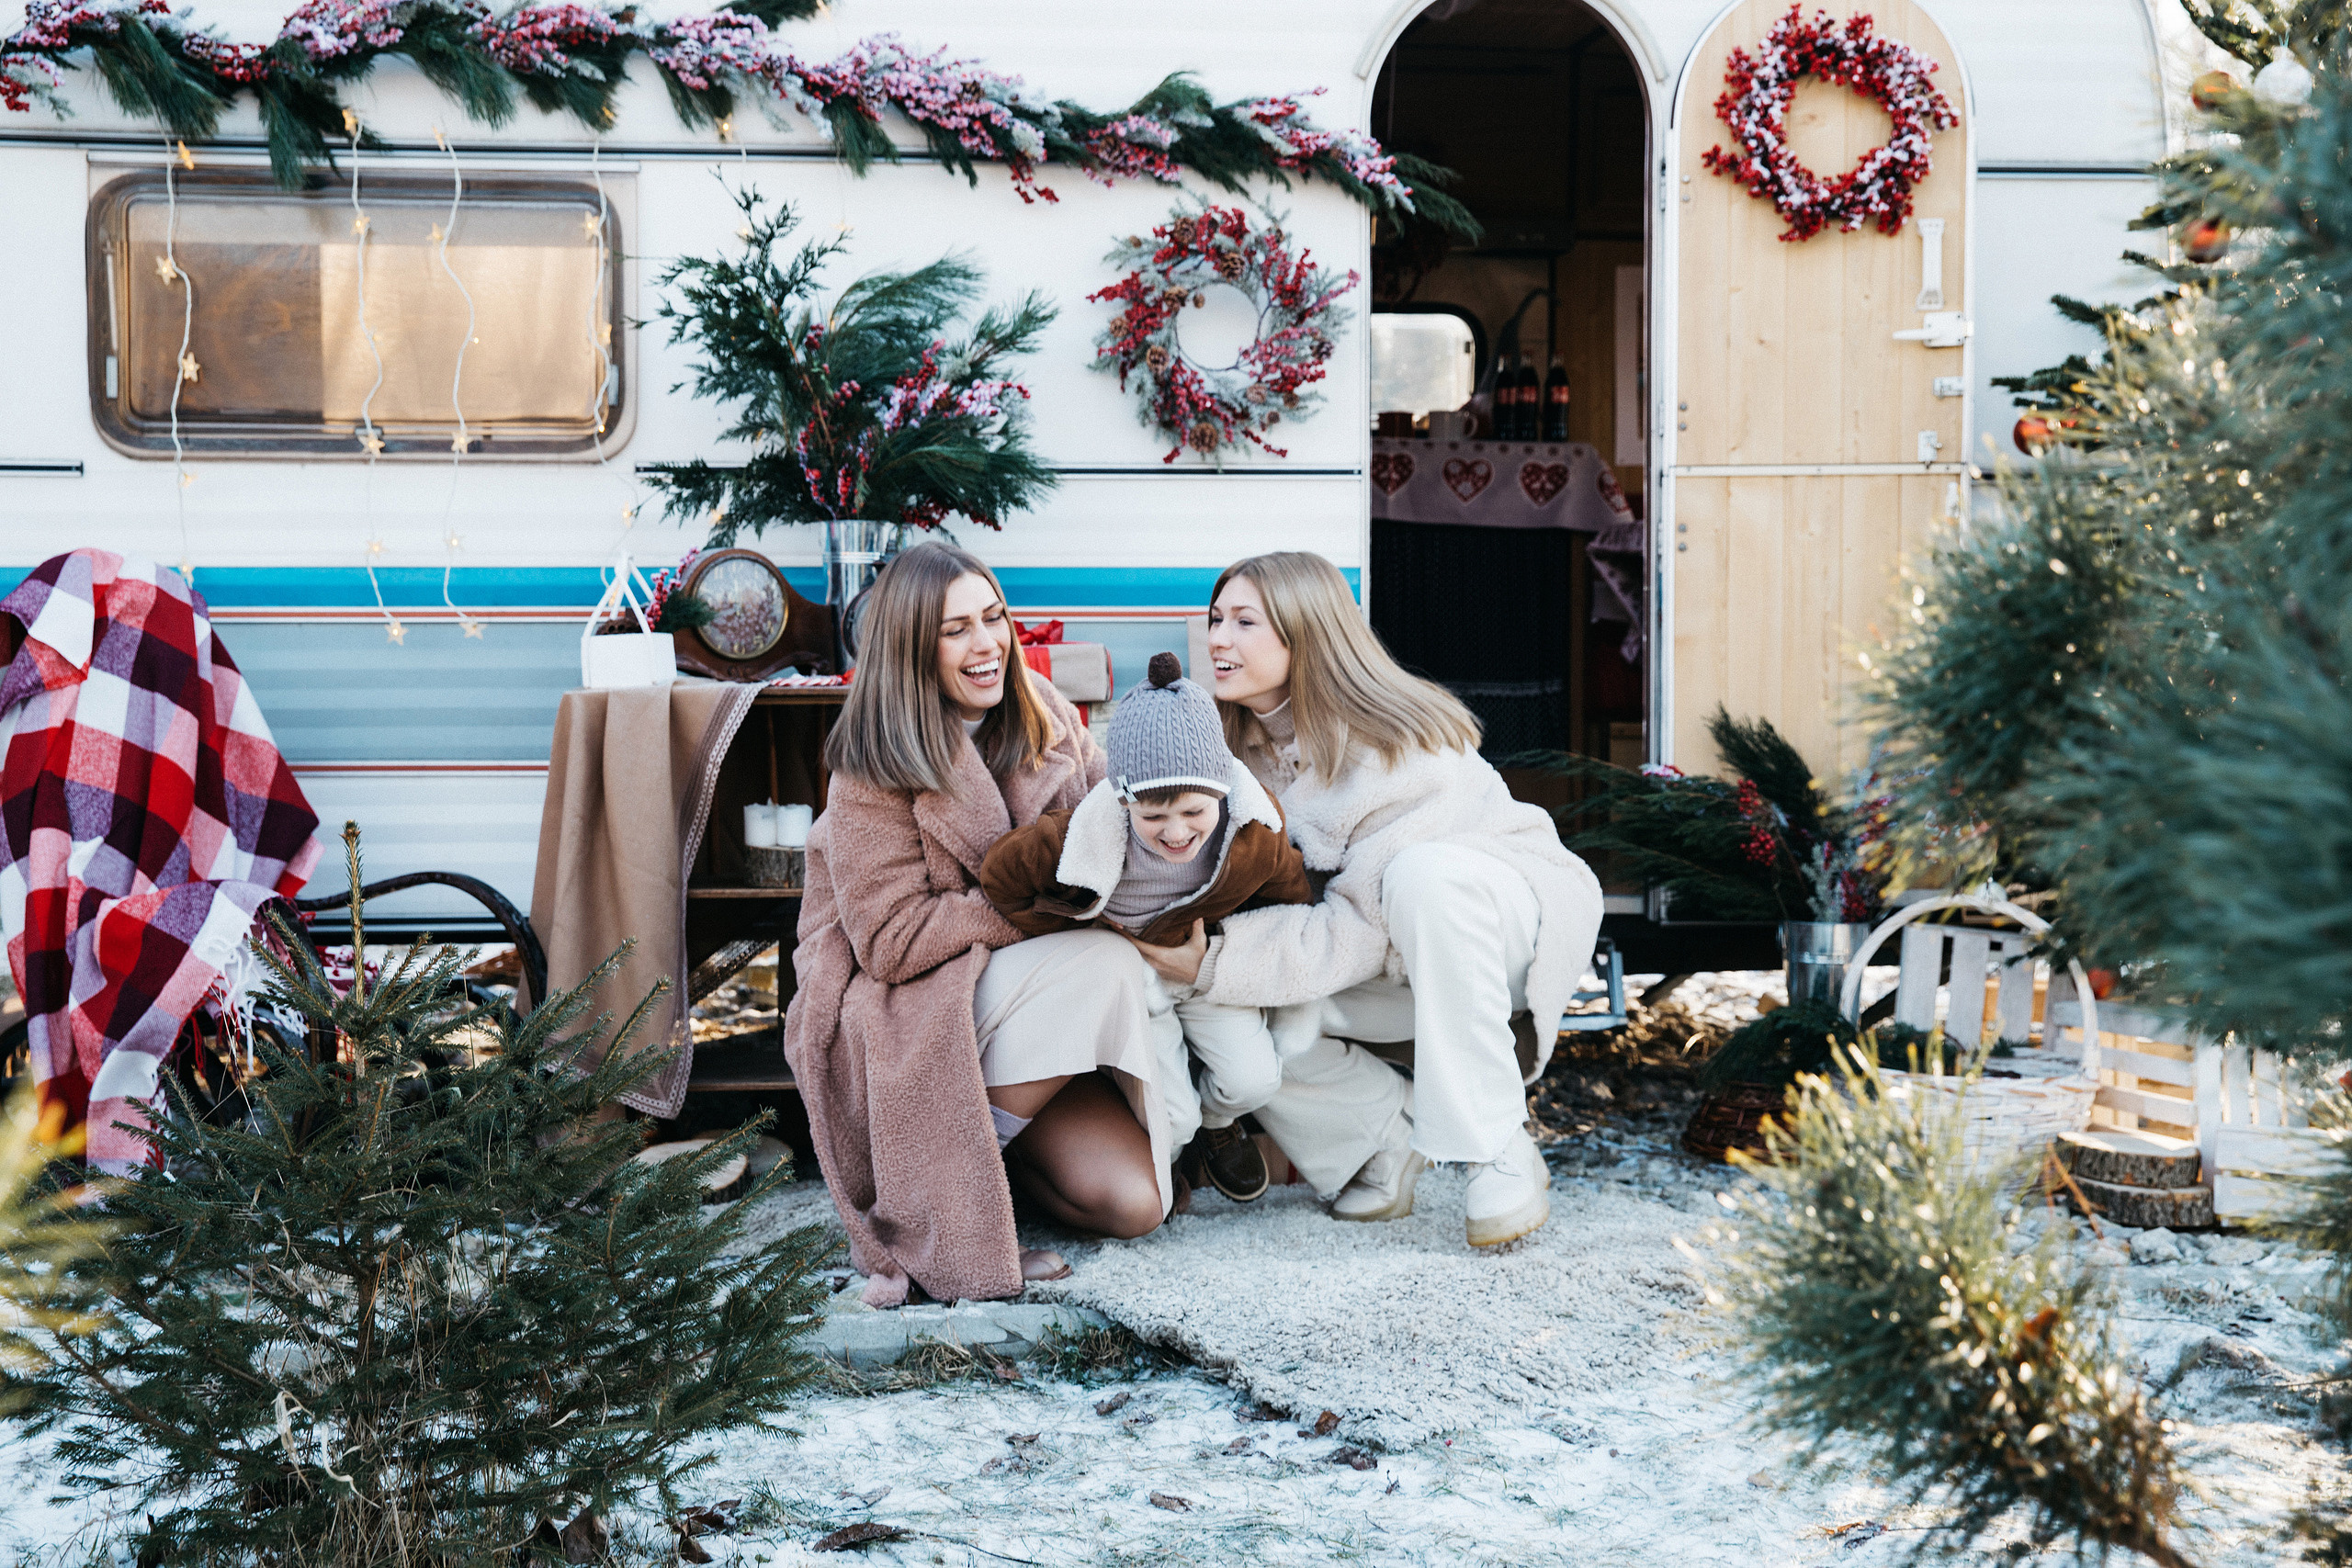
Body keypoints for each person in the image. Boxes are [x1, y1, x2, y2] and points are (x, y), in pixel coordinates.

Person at [1125, 550, 1604, 1249]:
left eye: (1244, 621)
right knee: (1238, 1003)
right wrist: (1202, 961)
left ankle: (1500, 1145)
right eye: (1215, 619)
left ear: (1304, 633)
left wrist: (1212, 959)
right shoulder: (1231, 749)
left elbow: (1357, 931)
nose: (1218, 638)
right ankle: (1381, 1137)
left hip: (1501, 929)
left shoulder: (1395, 742)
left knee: (1423, 875)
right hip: (1390, 962)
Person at [784, 540, 1179, 1308]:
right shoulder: (871, 759)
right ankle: (947, 1204)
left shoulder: (1047, 715)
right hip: (912, 1003)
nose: (986, 643)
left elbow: (1110, 827)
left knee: (1136, 1203)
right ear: (910, 646)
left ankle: (992, 1164)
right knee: (1103, 965)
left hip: (1029, 1007)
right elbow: (890, 942)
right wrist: (1031, 904)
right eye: (955, 628)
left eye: (992, 617)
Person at [979, 651, 1317, 1203]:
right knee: (1171, 1123)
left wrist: (1232, 952)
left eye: (1193, 811)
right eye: (1153, 818)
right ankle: (1184, 1139)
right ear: (1123, 801)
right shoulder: (1080, 836)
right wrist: (1080, 937)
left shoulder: (1253, 831)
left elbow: (1290, 896)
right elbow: (1003, 879)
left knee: (1255, 1080)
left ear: (1222, 789)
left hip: (1206, 968)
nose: (1177, 832)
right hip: (1140, 987)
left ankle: (1218, 1125)